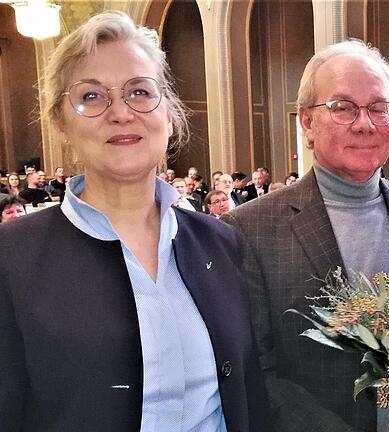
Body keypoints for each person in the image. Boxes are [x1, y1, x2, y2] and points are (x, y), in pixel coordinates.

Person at [0, 12, 271, 431]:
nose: (121, 113)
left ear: (168, 111)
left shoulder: (220, 242)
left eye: (139, 91)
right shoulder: (12, 255)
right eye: (91, 96)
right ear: (60, 121)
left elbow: (248, 392)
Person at [222, 39, 389, 432]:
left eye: (379, 108)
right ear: (307, 122)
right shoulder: (250, 230)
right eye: (343, 107)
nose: (364, 123)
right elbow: (257, 373)